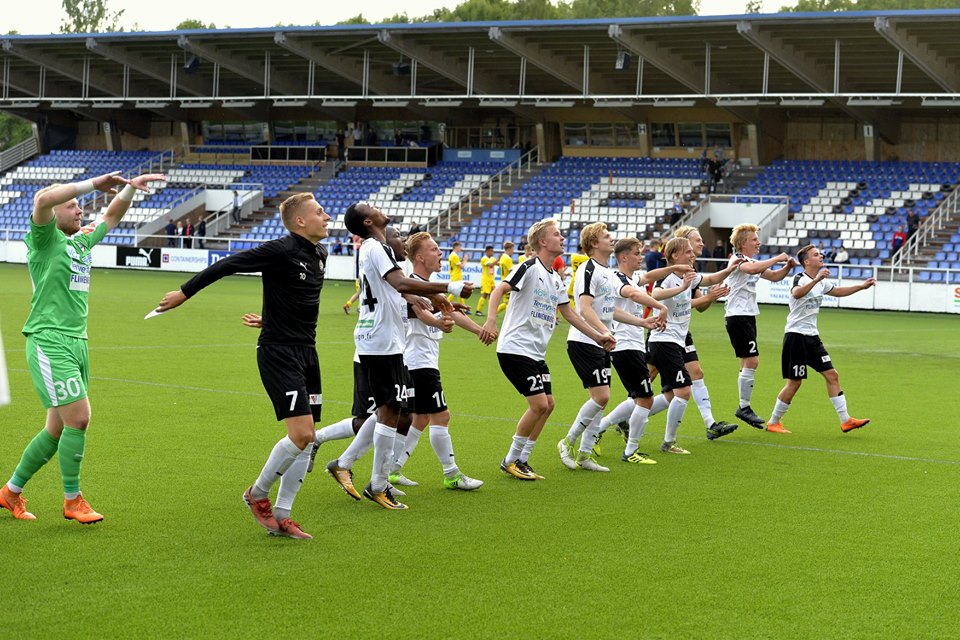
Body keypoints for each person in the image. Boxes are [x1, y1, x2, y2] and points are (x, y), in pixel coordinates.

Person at [153, 193, 331, 540]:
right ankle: (257, 494)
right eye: (320, 212)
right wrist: (184, 292)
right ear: (300, 221)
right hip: (279, 353)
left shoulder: (320, 254)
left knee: (307, 439)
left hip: (308, 352)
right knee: (301, 434)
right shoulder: (280, 250)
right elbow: (228, 264)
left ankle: (283, 516)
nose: (327, 217)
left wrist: (272, 317)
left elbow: (296, 298)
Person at [0, 169, 162, 524]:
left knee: (56, 430)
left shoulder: (81, 242)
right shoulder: (44, 239)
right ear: (54, 213)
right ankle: (73, 501)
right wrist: (95, 184)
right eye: (71, 205)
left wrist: (130, 190)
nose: (79, 210)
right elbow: (43, 199)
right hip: (49, 340)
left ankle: (10, 492)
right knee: (80, 417)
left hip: (78, 342)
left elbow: (110, 216)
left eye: (79, 205)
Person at [324, 202, 473, 510]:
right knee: (391, 414)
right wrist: (451, 287)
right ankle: (377, 483)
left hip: (387, 342)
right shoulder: (375, 247)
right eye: (371, 207)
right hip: (381, 342)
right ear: (368, 222)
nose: (378, 208)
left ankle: (355, 468)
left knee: (393, 412)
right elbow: (401, 283)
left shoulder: (377, 250)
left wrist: (435, 302)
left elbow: (402, 295)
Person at [483, 218, 615, 481]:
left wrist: (598, 336)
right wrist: (490, 320)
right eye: (557, 234)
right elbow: (500, 290)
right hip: (515, 348)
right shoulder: (528, 267)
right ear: (543, 241)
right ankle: (510, 459)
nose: (562, 238)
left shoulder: (555, 278)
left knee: (548, 405)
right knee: (539, 404)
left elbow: (570, 314)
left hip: (536, 353)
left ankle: (523, 459)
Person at [557, 223, 673, 472]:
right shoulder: (588, 269)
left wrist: (641, 322)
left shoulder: (608, 273)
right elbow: (584, 308)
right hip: (584, 340)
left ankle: (585, 455)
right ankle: (568, 441)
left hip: (601, 342)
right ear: (593, 243)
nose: (611, 239)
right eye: (606, 236)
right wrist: (604, 331)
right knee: (602, 397)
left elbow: (612, 311)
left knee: (601, 401)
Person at [387, 232, 492, 490]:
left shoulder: (427, 286)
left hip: (423, 360)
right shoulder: (412, 285)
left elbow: (448, 311)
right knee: (441, 416)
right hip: (418, 361)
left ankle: (392, 469)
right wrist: (438, 321)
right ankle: (452, 474)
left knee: (421, 418)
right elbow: (422, 312)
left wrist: (479, 330)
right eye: (434, 249)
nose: (440, 253)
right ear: (420, 257)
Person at [619, 226, 742, 444]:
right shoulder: (671, 275)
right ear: (680, 247)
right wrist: (706, 297)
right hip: (665, 333)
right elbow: (675, 299)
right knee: (650, 385)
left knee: (690, 379)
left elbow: (700, 303)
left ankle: (709, 423)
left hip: (680, 334)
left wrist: (728, 273)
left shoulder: (690, 273)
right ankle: (624, 419)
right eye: (696, 241)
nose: (700, 245)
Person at [765, 245, 876, 434]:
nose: (821, 255)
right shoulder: (799, 278)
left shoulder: (822, 282)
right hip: (796, 337)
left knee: (832, 375)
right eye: (816, 254)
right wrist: (817, 279)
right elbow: (796, 293)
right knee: (795, 382)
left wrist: (861, 286)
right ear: (807, 261)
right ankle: (773, 422)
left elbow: (838, 291)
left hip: (812, 337)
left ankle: (846, 420)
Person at [724, 223, 797, 430]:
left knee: (746, 362)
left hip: (747, 316)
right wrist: (778, 258)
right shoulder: (738, 260)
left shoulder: (751, 261)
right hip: (738, 316)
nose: (759, 242)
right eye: (754, 239)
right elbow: (754, 269)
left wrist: (787, 267)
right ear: (742, 243)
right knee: (752, 361)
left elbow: (774, 276)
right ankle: (744, 407)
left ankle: (743, 406)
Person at [475, 245, 497, 316]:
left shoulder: (493, 258)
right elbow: (490, 265)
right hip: (486, 280)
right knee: (484, 295)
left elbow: (498, 264)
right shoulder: (484, 259)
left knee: (492, 296)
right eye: (491, 251)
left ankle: (491, 312)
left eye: (493, 251)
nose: (492, 252)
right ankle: (478, 311)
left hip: (491, 280)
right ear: (487, 251)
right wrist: (498, 260)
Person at [496, 240, 515, 314]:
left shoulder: (502, 257)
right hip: (508, 282)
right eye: (512, 249)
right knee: (509, 302)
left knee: (507, 302)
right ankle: (509, 317)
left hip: (503, 280)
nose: (513, 251)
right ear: (509, 249)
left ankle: (494, 312)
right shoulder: (508, 259)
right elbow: (511, 271)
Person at [447, 241, 467, 305]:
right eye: (460, 247)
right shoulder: (454, 256)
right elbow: (461, 266)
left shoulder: (452, 255)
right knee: (456, 291)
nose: (460, 248)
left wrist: (462, 261)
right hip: (456, 275)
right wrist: (465, 260)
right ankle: (445, 303)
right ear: (456, 247)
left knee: (459, 291)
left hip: (455, 274)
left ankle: (463, 306)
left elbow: (458, 265)